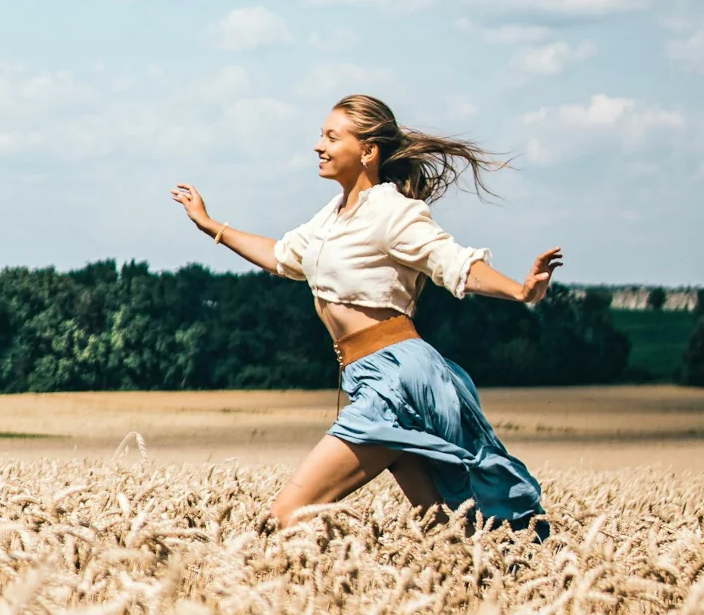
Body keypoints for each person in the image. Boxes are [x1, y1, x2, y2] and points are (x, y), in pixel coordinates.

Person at [171, 94, 562, 532]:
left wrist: (521, 291)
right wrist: (211, 225)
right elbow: (281, 256)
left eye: (332, 137)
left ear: (368, 151)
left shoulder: (391, 211)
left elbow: (453, 262)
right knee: (445, 531)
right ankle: (488, 591)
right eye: (320, 135)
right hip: (368, 375)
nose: (319, 145)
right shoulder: (328, 220)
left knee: (285, 517)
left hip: (397, 378)